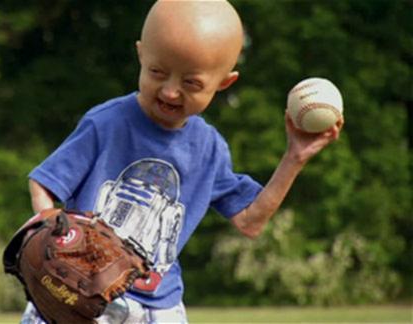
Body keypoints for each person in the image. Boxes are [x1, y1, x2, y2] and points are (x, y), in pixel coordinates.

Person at [22, 0, 343, 323]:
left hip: (157, 306)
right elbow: (44, 181)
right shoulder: (106, 124)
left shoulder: (209, 148)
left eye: (191, 82)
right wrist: (49, 225)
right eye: (158, 72)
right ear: (141, 54)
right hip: (81, 291)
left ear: (224, 83)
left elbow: (250, 221)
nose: (171, 91)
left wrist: (294, 157)